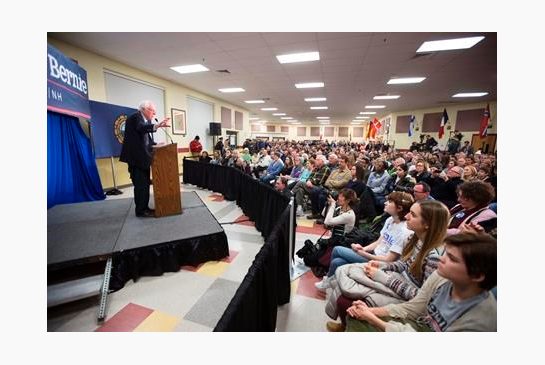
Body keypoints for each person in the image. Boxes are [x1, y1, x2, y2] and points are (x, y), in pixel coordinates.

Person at [325, 200, 449, 331]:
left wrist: (383, 278)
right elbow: (403, 264)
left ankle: (347, 326)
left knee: (347, 298)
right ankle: (345, 325)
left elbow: (420, 298)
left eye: (413, 214)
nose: (407, 216)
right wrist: (383, 266)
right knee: (344, 276)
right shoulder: (415, 238)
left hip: (405, 294)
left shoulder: (434, 257)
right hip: (396, 279)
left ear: (427, 224)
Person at [345, 232, 496, 332]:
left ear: (477, 275)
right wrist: (369, 312)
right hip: (421, 322)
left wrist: (372, 318)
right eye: (447, 254)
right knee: (355, 314)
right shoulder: (441, 276)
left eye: (452, 259)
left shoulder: (481, 321)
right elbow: (413, 308)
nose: (442, 259)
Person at [315, 191, 414, 291]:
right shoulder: (389, 221)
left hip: (380, 263)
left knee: (337, 249)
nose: (385, 203)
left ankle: (328, 280)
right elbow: (378, 242)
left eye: (389, 202)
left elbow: (389, 260)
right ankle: (331, 281)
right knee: (337, 261)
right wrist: (363, 248)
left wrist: (362, 254)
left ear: (399, 208)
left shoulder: (404, 231)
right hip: (373, 254)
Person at [119, 100, 170, 218]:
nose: (154, 114)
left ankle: (144, 208)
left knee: (145, 185)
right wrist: (157, 125)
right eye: (153, 111)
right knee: (141, 185)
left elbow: (146, 140)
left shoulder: (143, 120)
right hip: (137, 160)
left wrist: (157, 144)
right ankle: (141, 211)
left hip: (142, 160)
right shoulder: (136, 117)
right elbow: (141, 128)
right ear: (145, 109)